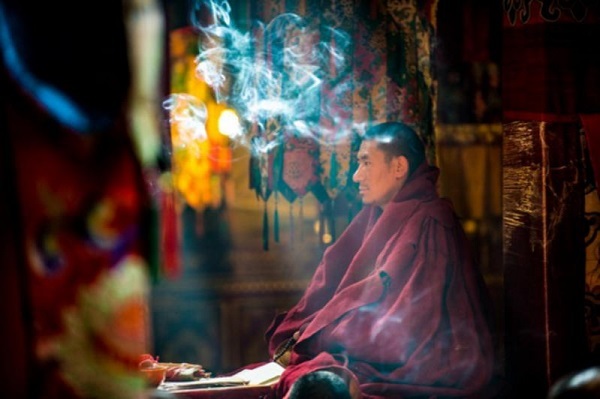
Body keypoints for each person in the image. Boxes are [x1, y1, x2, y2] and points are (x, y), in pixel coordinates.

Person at [265, 121, 496, 398]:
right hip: (365, 354)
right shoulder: (377, 215)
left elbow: (410, 330)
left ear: (399, 167)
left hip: (420, 368)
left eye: (365, 163)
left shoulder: (430, 221)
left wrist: (324, 339)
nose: (355, 176)